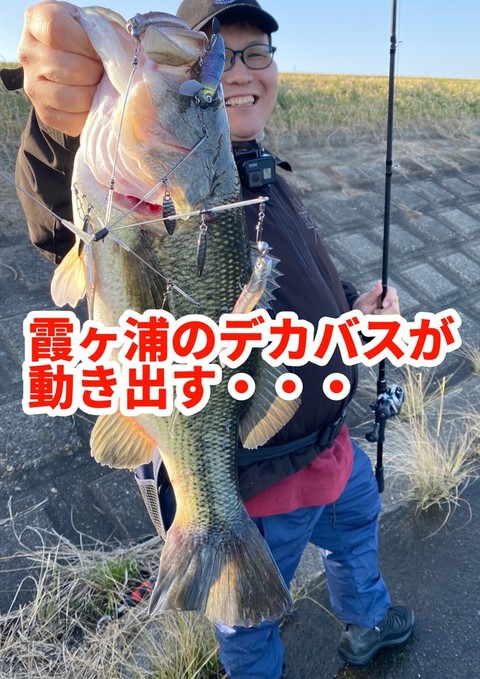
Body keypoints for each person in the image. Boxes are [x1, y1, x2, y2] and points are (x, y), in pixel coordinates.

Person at [3, 1, 415, 676]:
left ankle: (368, 619)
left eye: (258, 53)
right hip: (253, 483)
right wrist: (55, 124)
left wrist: (351, 309)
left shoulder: (266, 174)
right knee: (247, 613)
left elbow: (292, 287)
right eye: (215, 61)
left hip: (333, 448)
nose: (240, 72)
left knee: (356, 540)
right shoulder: (150, 192)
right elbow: (57, 221)